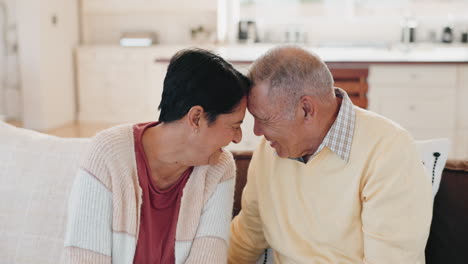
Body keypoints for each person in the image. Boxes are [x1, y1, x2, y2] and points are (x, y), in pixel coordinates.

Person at [228, 46, 433, 264]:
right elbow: (247, 237)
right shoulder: (269, 150)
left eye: (265, 119)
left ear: (306, 109)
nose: (257, 131)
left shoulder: (389, 151)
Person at [64, 48, 250, 264]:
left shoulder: (219, 167)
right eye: (234, 125)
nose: (238, 138)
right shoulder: (107, 154)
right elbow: (84, 258)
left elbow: (209, 257)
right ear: (196, 118)